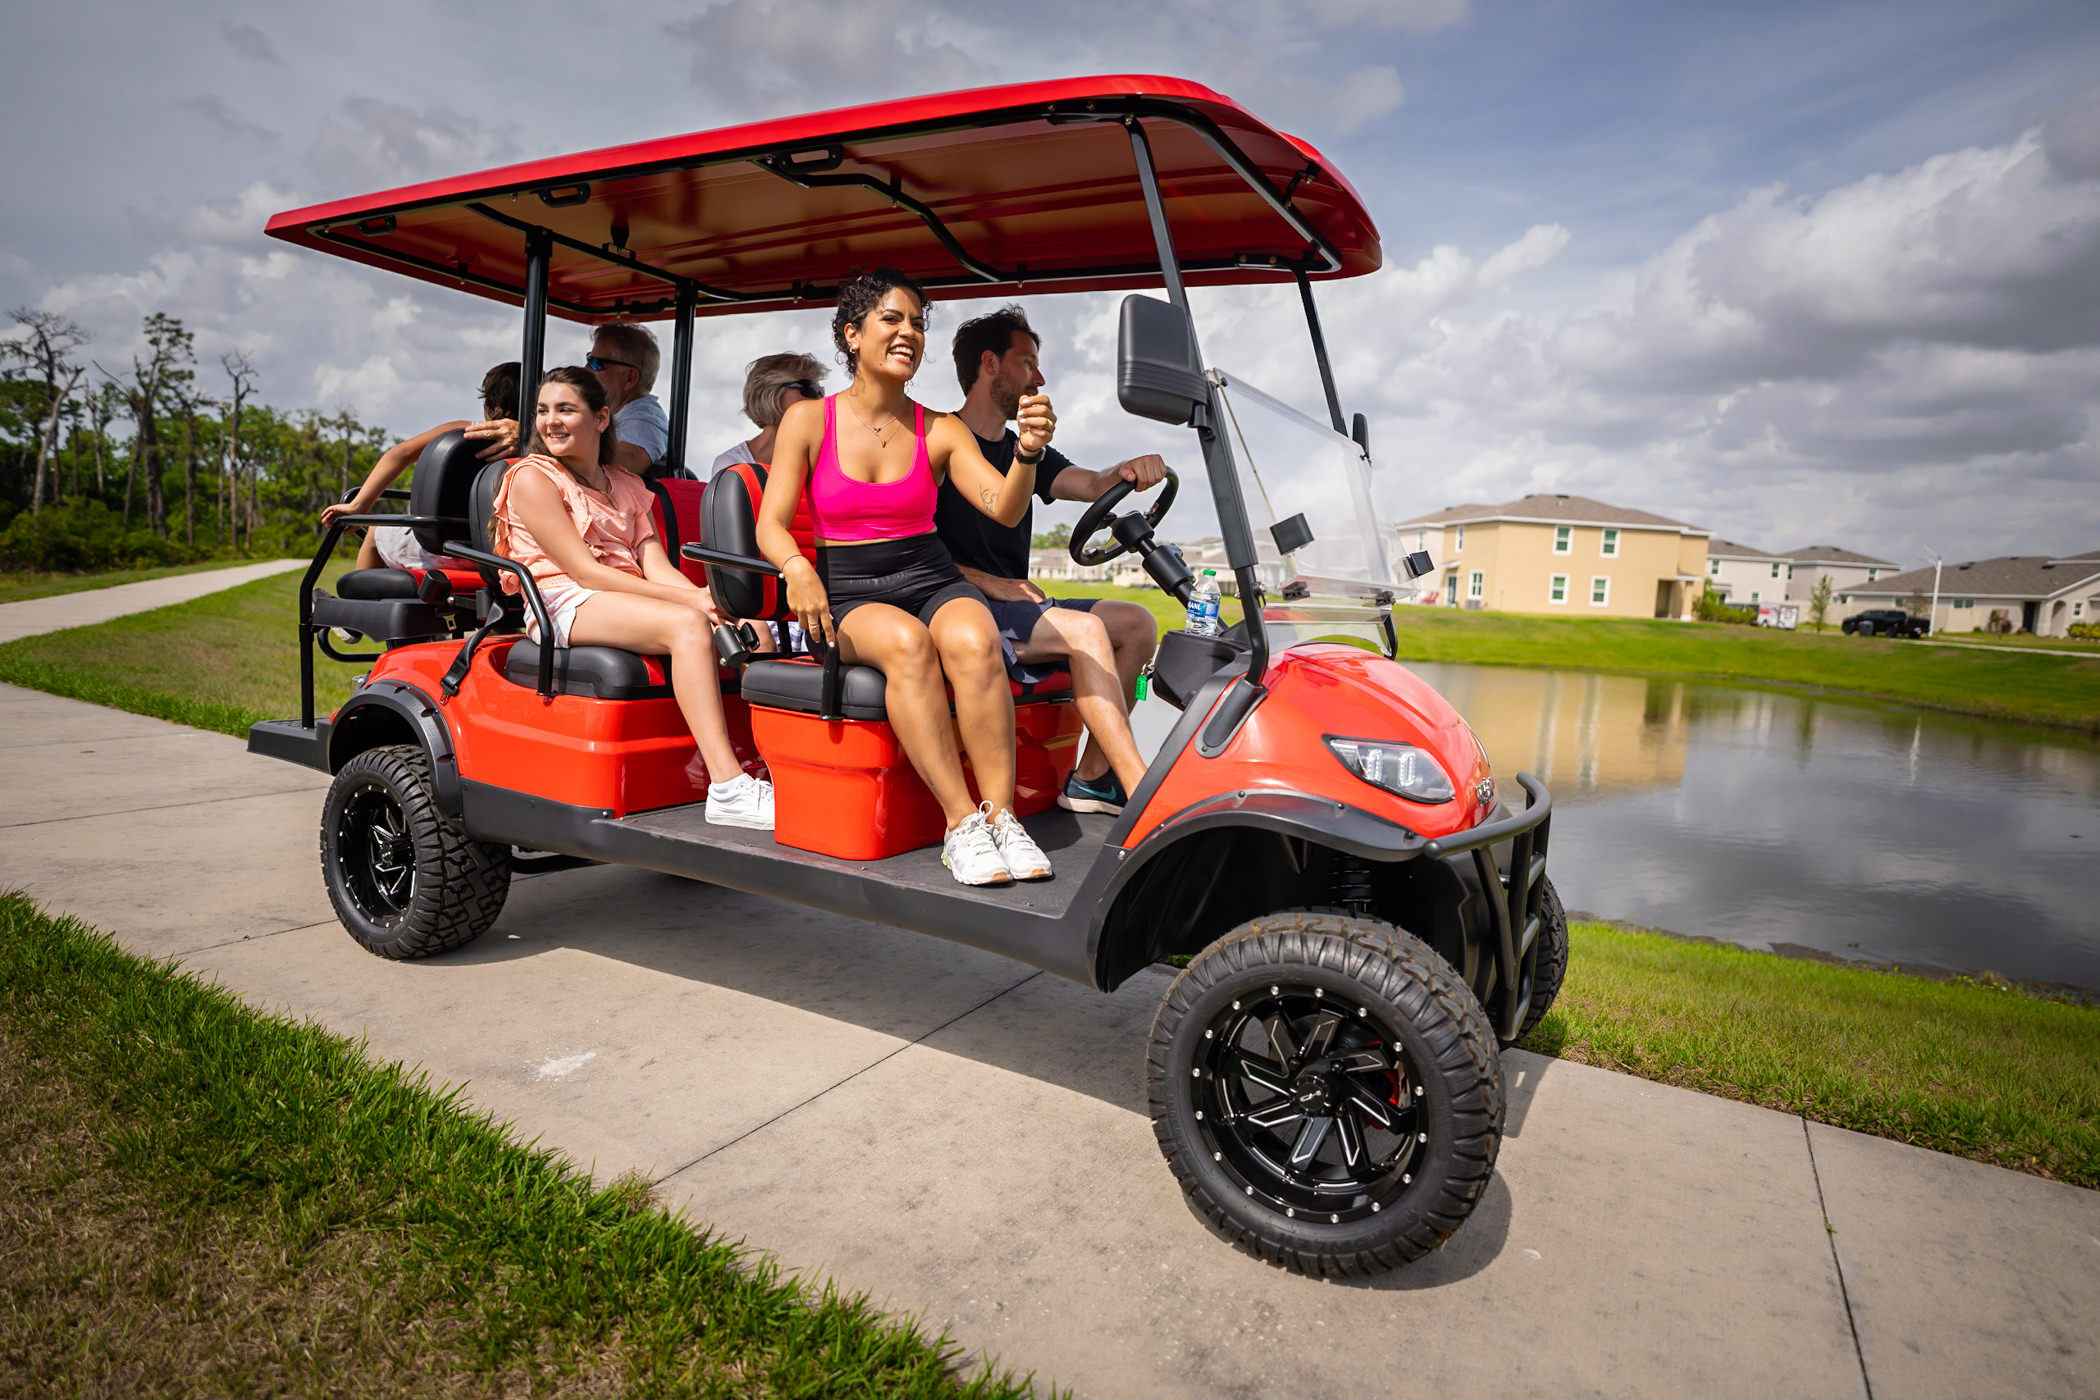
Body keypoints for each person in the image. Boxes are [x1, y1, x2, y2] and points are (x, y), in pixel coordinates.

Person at [756, 269, 1057, 888]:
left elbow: (1004, 506)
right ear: (852, 335)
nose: (908, 332)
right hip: (849, 592)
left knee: (976, 641)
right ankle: (961, 825)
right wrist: (796, 568)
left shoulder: (940, 429)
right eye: (892, 319)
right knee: (908, 646)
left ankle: (1002, 817)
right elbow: (772, 525)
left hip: (930, 575)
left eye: (917, 322)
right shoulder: (808, 421)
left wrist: (1027, 453)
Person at [491, 366, 773, 830]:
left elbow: (655, 564)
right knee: (686, 626)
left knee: (750, 625)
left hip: (617, 594)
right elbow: (585, 571)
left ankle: (764, 766)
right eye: (543, 411)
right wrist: (691, 608)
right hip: (564, 600)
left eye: (566, 409)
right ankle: (727, 787)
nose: (550, 422)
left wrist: (709, 598)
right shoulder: (532, 478)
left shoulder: (623, 484)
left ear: (601, 419)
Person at [938, 306, 1165, 815]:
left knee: (1136, 621)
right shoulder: (941, 443)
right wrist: (985, 581)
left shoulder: (1027, 453)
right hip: (961, 606)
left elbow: (1090, 483)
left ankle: (1091, 778)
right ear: (990, 364)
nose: (1039, 377)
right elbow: (909, 548)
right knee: (1084, 631)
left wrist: (1128, 469)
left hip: (1016, 607)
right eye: (1028, 362)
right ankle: (1148, 794)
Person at [321, 362, 519, 572]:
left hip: (448, 552)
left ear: (488, 404)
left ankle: (356, 599)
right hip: (506, 552)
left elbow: (400, 454)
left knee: (375, 531)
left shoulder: (463, 432)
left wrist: (358, 506)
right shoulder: (536, 445)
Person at [468, 322, 676, 479]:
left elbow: (626, 462)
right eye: (588, 359)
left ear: (630, 377)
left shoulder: (645, 420)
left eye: (596, 363)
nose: (586, 368)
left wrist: (528, 438)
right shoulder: (610, 412)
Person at [709, 353, 826, 479]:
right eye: (809, 389)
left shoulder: (826, 457)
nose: (820, 398)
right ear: (771, 392)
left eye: (821, 391)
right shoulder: (733, 465)